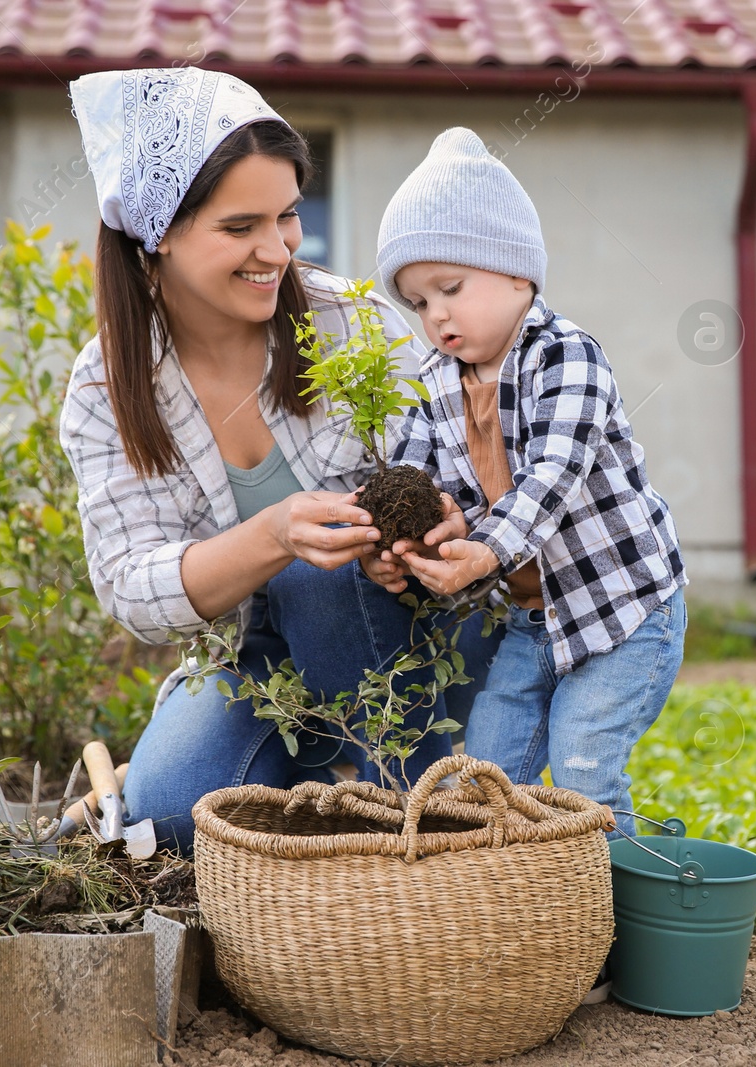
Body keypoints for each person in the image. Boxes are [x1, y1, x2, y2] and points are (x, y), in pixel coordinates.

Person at [60, 70, 497, 855]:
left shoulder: (345, 321)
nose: (278, 249)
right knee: (166, 815)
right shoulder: (106, 387)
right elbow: (132, 586)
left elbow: (457, 467)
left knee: (319, 575)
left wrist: (442, 517)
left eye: (288, 215)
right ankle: (329, 773)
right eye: (240, 227)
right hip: (250, 664)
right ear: (159, 231)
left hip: (403, 633)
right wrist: (272, 533)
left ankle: (418, 818)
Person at [362, 127, 688, 839]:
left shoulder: (567, 357)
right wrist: (414, 540)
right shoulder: (436, 381)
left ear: (518, 275)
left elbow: (554, 476)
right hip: (532, 619)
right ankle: (507, 918)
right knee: (481, 775)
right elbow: (427, 483)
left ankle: (618, 926)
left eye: (450, 288)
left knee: (582, 772)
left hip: (623, 614)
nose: (436, 314)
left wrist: (484, 550)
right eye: (418, 302)